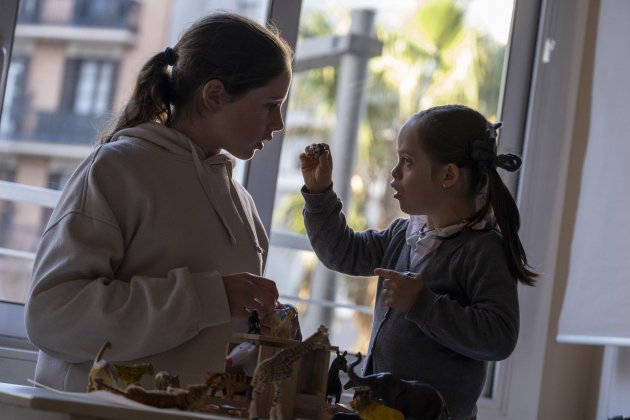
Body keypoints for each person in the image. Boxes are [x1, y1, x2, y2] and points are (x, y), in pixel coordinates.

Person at [25, 12, 293, 392]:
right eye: (270, 104)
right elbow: (52, 316)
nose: (279, 123)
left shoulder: (244, 208)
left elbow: (199, 346)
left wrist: (257, 340)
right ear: (214, 95)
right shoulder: (118, 170)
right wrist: (210, 297)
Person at [300, 104, 536, 419]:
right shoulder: (403, 234)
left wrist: (422, 304)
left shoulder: (482, 251)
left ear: (448, 175)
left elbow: (499, 338)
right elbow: (342, 252)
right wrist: (319, 194)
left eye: (407, 162)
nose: (395, 173)